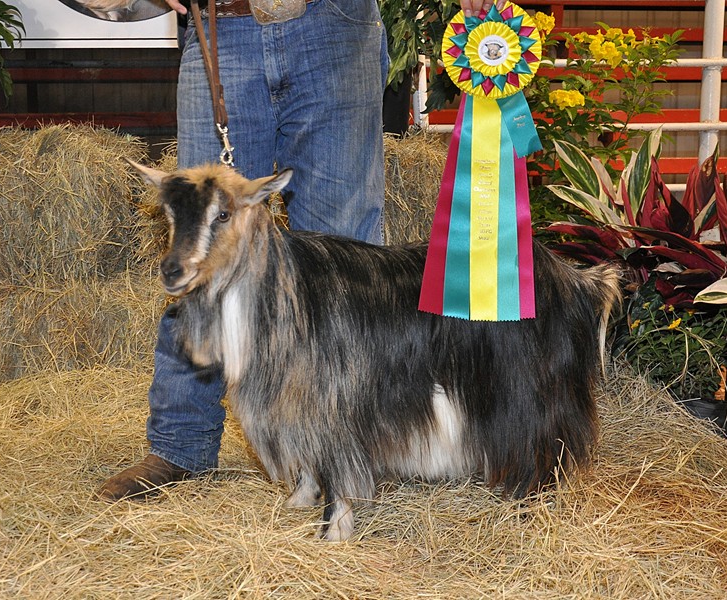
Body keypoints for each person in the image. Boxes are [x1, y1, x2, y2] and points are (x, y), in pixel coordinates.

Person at [97, 0, 494, 501]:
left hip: (335, 24)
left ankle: (349, 448)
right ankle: (180, 444)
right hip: (221, 27)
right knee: (200, 253)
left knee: (347, 263)